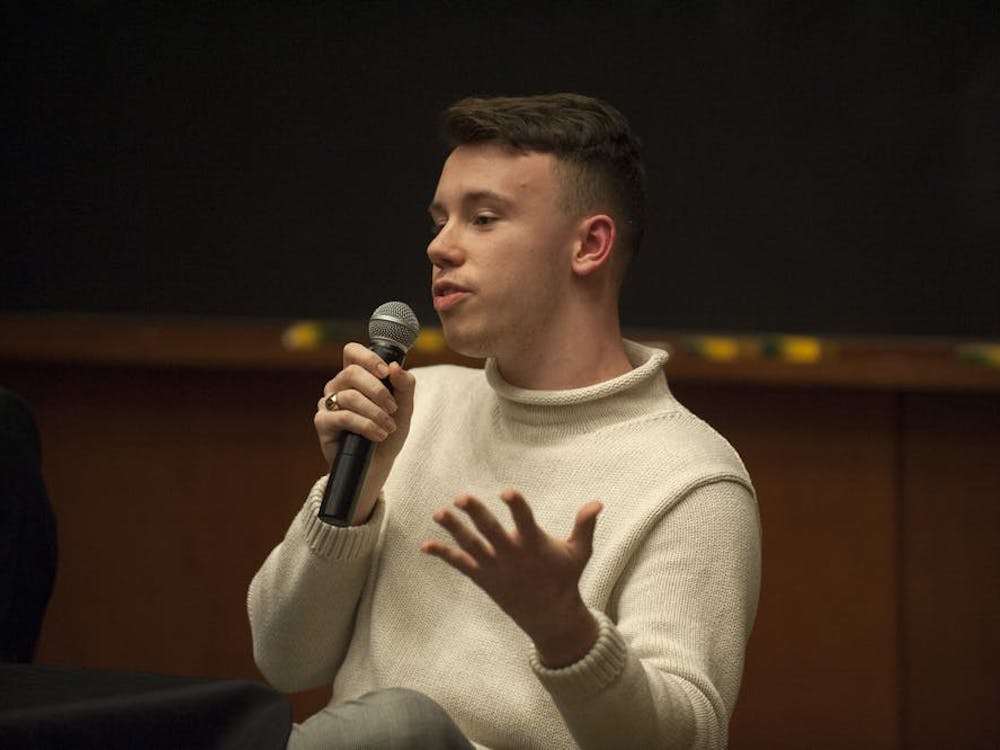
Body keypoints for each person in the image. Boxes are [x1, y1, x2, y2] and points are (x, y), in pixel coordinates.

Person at [248, 93, 761, 749]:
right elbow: (284, 659)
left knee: (398, 725)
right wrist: (350, 500)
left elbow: (687, 738)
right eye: (440, 221)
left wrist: (566, 631)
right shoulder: (414, 406)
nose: (440, 247)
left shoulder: (692, 480)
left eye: (482, 219)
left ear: (589, 244)